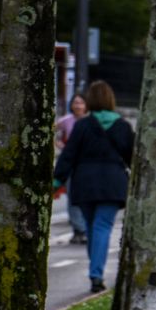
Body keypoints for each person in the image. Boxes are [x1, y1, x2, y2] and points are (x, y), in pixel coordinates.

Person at [52, 80, 134, 294]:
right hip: (112, 183)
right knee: (102, 227)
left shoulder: (83, 126)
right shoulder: (123, 126)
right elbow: (132, 156)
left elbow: (69, 155)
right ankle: (96, 274)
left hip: (85, 183)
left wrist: (56, 181)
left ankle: (95, 271)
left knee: (91, 226)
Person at [56, 93, 90, 244]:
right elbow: (53, 132)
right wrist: (61, 146)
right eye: (75, 103)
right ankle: (78, 229)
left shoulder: (92, 121)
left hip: (88, 164)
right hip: (71, 163)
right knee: (72, 196)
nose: (78, 106)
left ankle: (85, 228)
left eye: (81, 103)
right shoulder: (66, 121)